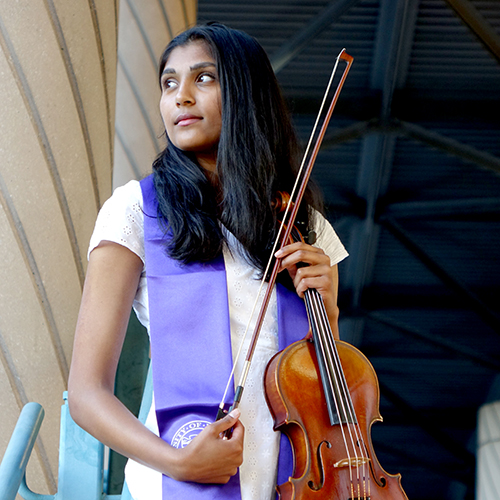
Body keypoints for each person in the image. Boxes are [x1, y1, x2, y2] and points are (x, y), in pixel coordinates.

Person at [68, 22, 348, 500]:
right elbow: (87, 393)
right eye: (169, 83)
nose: (180, 96)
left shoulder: (304, 223)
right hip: (176, 481)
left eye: (203, 78)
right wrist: (178, 460)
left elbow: (326, 397)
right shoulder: (136, 211)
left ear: (245, 94)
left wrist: (329, 313)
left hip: (292, 484)